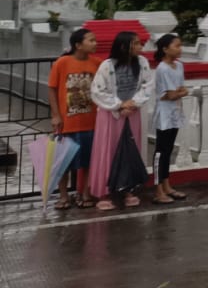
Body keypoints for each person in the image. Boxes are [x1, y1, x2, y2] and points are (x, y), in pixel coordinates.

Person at [88, 31, 154, 210]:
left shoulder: (142, 63)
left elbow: (147, 86)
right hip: (110, 115)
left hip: (132, 113)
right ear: (124, 46)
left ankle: (128, 190)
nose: (140, 46)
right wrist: (118, 105)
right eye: (136, 43)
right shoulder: (107, 65)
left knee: (131, 150)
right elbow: (97, 91)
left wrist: (133, 103)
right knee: (108, 151)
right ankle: (104, 193)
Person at [46, 27, 102, 209]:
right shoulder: (62, 63)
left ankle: (84, 192)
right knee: (63, 162)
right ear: (78, 45)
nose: (95, 43)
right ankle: (63, 196)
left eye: (95, 40)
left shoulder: (97, 63)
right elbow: (52, 89)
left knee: (87, 161)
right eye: (91, 40)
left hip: (90, 121)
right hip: (67, 122)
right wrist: (56, 115)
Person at [151, 33, 190, 204]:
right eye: (176, 46)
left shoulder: (179, 66)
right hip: (164, 115)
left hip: (175, 113)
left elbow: (178, 90)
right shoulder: (163, 68)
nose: (180, 49)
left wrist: (178, 93)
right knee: (160, 151)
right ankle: (158, 189)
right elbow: (172, 94)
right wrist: (180, 93)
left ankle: (167, 185)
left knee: (168, 150)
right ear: (165, 49)